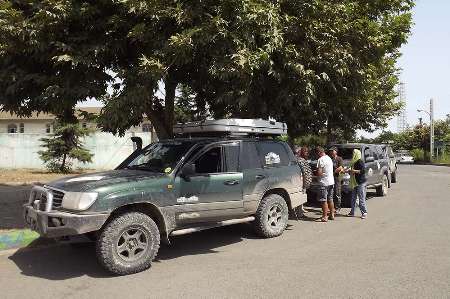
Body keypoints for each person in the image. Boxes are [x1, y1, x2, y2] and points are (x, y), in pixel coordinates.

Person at [346, 149, 368, 219]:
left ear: (357, 154)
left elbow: (363, 171)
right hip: (354, 182)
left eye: (354, 153)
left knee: (361, 198)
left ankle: (364, 212)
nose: (352, 154)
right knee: (353, 198)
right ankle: (352, 212)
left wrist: (353, 171)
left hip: (360, 182)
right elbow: (351, 171)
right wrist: (348, 171)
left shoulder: (359, 161)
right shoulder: (353, 162)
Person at [315, 146, 335, 222]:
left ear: (319, 152)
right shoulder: (329, 158)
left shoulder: (320, 160)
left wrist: (316, 174)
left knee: (324, 200)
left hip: (324, 182)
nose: (317, 155)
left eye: (317, 153)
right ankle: (332, 214)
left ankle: (324, 216)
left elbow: (319, 173)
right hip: (331, 181)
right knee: (330, 199)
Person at [295, 147, 312, 216]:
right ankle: (299, 213)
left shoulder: (302, 159)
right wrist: (306, 182)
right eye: (305, 152)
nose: (307, 153)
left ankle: (300, 210)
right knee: (301, 196)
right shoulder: (300, 160)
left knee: (302, 195)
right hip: (301, 181)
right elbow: (304, 173)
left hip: (303, 181)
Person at [328, 146, 344, 213]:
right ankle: (332, 207)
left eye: (332, 151)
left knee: (337, 193)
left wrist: (333, 172)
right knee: (331, 193)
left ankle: (338, 207)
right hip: (331, 178)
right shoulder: (330, 159)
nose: (331, 152)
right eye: (331, 151)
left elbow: (340, 167)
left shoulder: (339, 159)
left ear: (336, 151)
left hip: (337, 178)